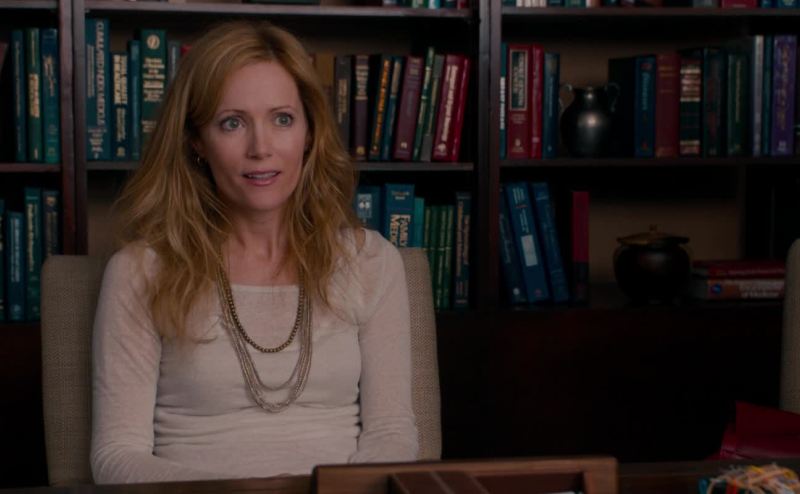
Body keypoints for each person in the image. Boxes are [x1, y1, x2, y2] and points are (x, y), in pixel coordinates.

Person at [91, 21, 418, 484]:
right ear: (196, 142)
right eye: (232, 123)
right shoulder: (139, 272)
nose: (261, 148)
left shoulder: (372, 262)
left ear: (309, 132)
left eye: (282, 119)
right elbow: (116, 456)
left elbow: (393, 435)